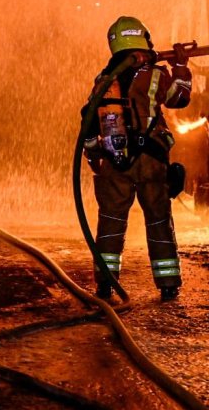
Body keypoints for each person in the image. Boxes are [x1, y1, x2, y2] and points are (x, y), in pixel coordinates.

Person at [82, 15, 192, 301]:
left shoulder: (104, 80)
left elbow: (90, 122)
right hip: (151, 161)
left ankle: (105, 283)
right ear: (143, 40)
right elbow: (179, 98)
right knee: (157, 220)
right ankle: (168, 283)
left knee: (110, 222)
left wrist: (94, 154)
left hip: (115, 161)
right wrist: (181, 68)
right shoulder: (156, 75)